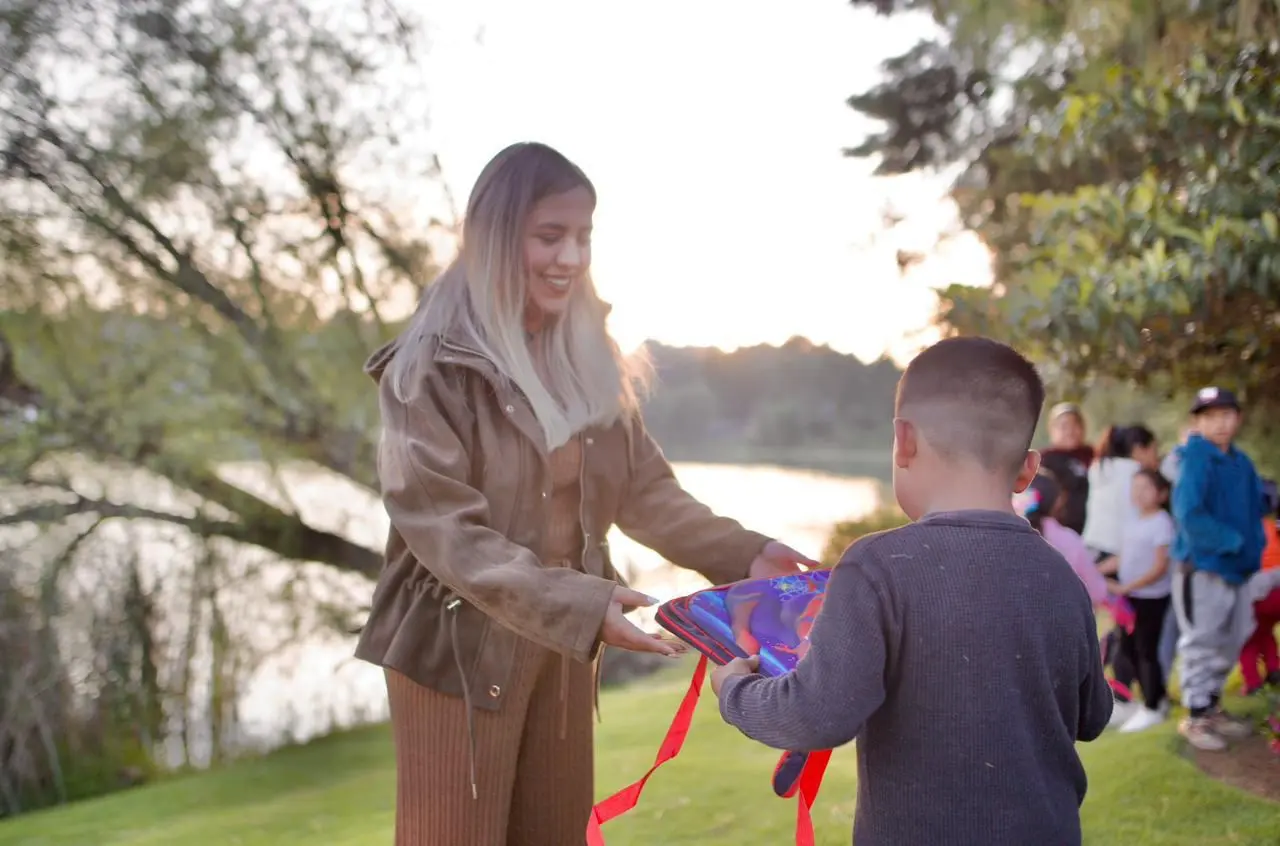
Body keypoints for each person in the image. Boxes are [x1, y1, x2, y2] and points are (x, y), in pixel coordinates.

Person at [355, 142, 815, 846]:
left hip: (563, 647)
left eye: (583, 237)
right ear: (496, 237)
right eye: (549, 236)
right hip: (454, 651)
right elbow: (445, 531)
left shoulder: (589, 356)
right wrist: (585, 604)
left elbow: (648, 494)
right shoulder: (428, 367)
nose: (570, 256)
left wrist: (748, 555)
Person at [711, 336, 1113, 846]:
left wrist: (734, 690)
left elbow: (816, 713)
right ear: (1028, 469)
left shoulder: (875, 567)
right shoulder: (1060, 576)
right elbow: (1093, 716)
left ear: (904, 440)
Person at [1171, 387, 1267, 752]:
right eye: (1210, 416)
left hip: (1239, 569)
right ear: (1198, 422)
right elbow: (1189, 515)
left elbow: (1256, 506)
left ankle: (1211, 706)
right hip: (1204, 568)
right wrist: (1233, 541)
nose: (1220, 423)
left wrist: (1252, 546)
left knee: (1234, 636)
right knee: (1202, 640)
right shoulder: (1196, 458)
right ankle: (1195, 715)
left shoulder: (1240, 462)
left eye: (1226, 415)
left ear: (1238, 418)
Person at [1097, 469, 1175, 733]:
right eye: (1135, 487)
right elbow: (1122, 558)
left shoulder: (1162, 522)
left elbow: (1160, 566)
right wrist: (1093, 570)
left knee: (1146, 651)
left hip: (1150, 599)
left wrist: (1127, 586)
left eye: (1146, 487)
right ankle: (1149, 699)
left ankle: (1153, 706)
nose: (1139, 493)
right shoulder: (1133, 521)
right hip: (1130, 598)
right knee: (1128, 649)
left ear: (1162, 494)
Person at [1014, 471, 1109, 604]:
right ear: (1058, 501)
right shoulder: (1069, 539)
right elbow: (1097, 592)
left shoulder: (1006, 537)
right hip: (1063, 618)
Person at [1081, 424, 1160, 561]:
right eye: (1153, 450)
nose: (1156, 457)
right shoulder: (1137, 472)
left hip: (1091, 543)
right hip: (1118, 549)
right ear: (1138, 449)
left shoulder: (1098, 467)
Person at [1239, 485, 1280, 695]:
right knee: (1264, 631)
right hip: (1277, 594)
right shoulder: (1274, 527)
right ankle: (1274, 670)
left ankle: (1252, 682)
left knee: (1248, 639)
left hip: (1259, 596)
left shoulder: (1245, 531)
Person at [1038, 402, 1095, 534]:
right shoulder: (1044, 460)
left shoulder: (1093, 456)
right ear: (1052, 430)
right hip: (1059, 532)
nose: (1070, 431)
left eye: (1075, 425)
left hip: (1092, 531)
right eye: (1064, 426)